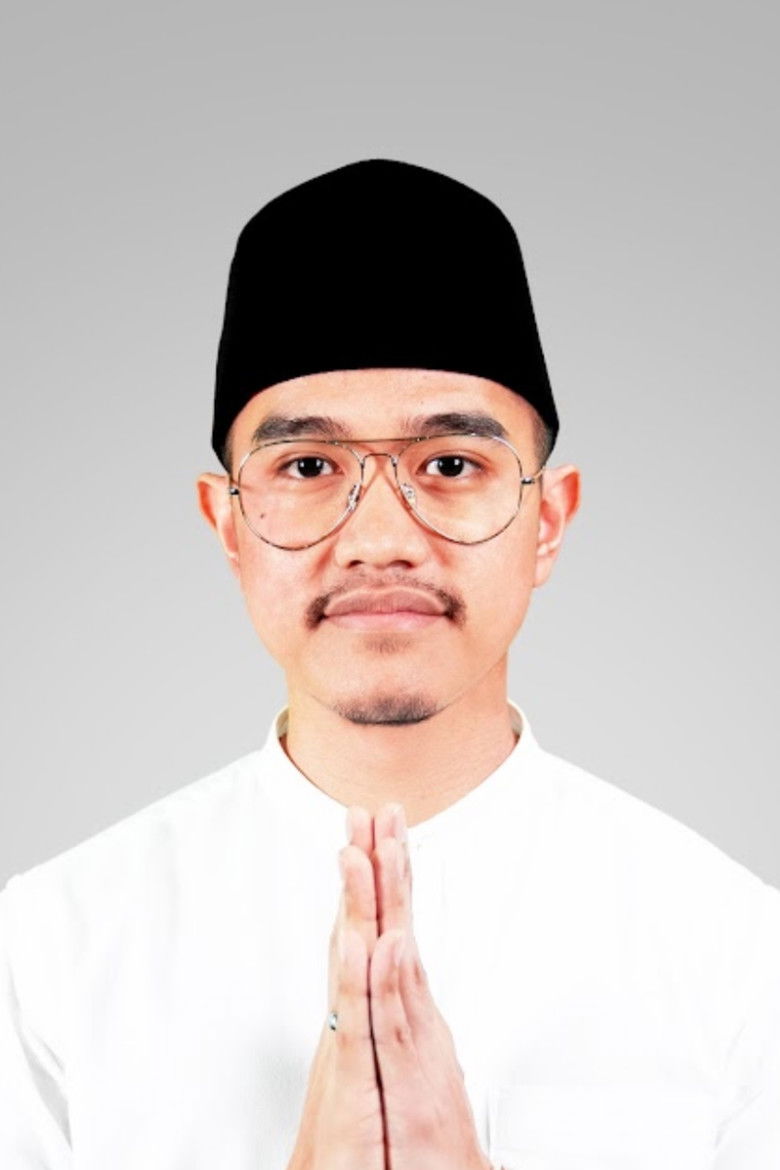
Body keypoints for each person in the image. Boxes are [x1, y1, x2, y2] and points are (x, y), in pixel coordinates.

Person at [1, 159, 778, 1170]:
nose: (379, 539)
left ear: (547, 520)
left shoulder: (734, 949)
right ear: (227, 524)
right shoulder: (50, 947)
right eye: (307, 466)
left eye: (450, 465)